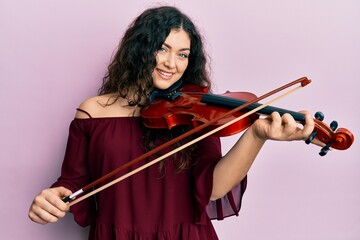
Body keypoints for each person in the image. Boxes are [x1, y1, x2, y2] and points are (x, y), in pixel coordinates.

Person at [28, 5, 315, 240]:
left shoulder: (197, 112)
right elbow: (72, 184)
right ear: (139, 49)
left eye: (182, 55)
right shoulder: (92, 113)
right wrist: (52, 198)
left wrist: (256, 135)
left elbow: (213, 187)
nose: (171, 63)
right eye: (162, 49)